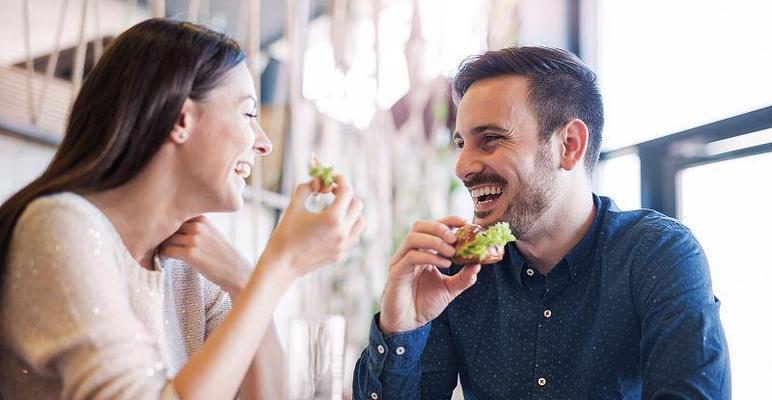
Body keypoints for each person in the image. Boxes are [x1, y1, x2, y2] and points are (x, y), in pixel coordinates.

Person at [0, 19, 365, 399]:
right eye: (248, 114)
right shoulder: (58, 226)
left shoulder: (189, 269)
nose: (264, 144)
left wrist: (245, 281)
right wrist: (280, 266)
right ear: (181, 119)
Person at [353, 46, 730, 399]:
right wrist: (401, 328)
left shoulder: (657, 254)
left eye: (490, 139)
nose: (462, 167)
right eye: (461, 144)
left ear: (569, 145)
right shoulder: (454, 274)